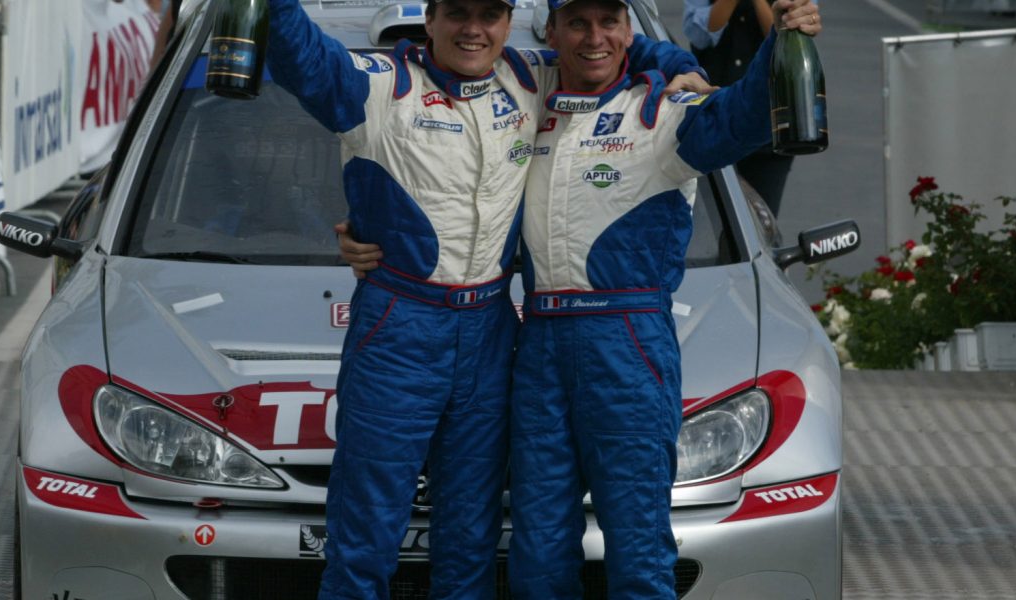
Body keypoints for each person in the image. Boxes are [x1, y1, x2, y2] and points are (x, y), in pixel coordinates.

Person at [339, 0, 822, 595]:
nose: (595, 38)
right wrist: (370, 227)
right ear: (552, 31)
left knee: (638, 551)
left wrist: (774, 42)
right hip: (538, 346)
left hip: (626, 345)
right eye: (577, 23)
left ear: (627, 29)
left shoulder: (663, 110)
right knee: (538, 554)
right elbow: (447, 182)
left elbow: (746, 115)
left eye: (610, 22)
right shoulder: (527, 95)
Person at [260, 0, 709, 595]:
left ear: (509, 22)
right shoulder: (381, 84)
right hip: (400, 326)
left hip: (491, 332)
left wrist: (679, 63)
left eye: (490, 14)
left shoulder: (531, 78)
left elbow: (602, 46)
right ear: (430, 19)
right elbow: (301, 58)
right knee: (364, 537)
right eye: (458, 13)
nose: (473, 29)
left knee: (470, 540)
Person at [684, 0, 795, 215]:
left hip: (770, 125)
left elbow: (787, 42)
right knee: (709, 218)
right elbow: (700, 35)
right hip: (714, 122)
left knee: (762, 217)